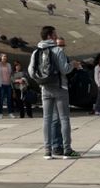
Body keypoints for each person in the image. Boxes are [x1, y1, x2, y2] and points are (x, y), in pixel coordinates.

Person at [31, 25, 82, 159]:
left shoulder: (36, 52)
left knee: (47, 119)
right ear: (49, 36)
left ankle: (48, 151)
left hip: (45, 89)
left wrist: (41, 79)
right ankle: (67, 150)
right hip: (60, 88)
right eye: (54, 34)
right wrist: (73, 65)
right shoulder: (57, 50)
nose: (56, 36)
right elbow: (64, 69)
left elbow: (31, 71)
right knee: (64, 118)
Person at [0, 53, 15, 118]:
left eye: (6, 56)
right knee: (1, 99)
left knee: (9, 99)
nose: (5, 57)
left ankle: (10, 113)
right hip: (1, 84)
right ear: (1, 57)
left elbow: (10, 74)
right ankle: (0, 113)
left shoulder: (8, 64)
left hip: (8, 84)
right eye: (4, 56)